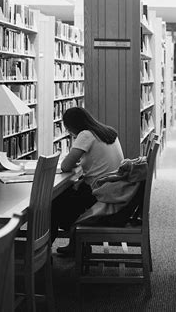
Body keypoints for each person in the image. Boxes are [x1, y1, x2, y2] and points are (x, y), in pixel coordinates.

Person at [51, 107, 124, 253]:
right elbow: (97, 160)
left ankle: (45, 250)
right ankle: (76, 243)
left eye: (68, 128)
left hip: (101, 195)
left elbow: (65, 166)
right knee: (67, 195)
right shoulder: (107, 132)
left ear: (72, 125)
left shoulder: (85, 135)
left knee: (54, 204)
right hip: (115, 189)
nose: (69, 132)